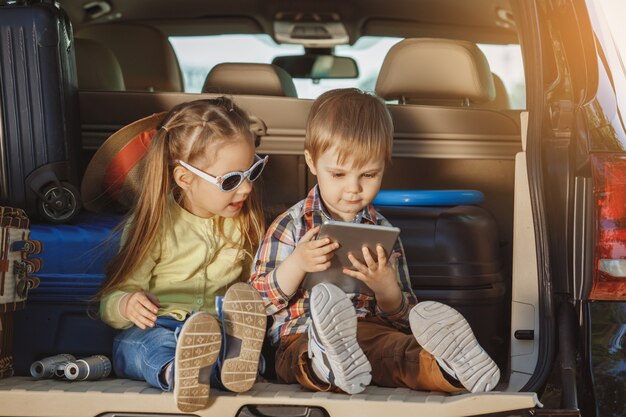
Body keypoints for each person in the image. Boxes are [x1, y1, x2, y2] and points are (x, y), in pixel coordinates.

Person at [250, 88, 500, 395]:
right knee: (298, 356)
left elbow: (402, 317)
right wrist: (297, 264)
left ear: (384, 166)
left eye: (369, 174)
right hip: (299, 333)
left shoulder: (382, 230)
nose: (353, 189)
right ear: (312, 162)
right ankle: (323, 360)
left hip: (368, 333)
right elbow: (256, 303)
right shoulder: (292, 225)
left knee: (398, 352)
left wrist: (386, 288)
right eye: (338, 174)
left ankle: (451, 370)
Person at [97, 98, 268, 412]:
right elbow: (110, 300)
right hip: (158, 327)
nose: (245, 190)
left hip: (214, 331)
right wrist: (126, 303)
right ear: (185, 179)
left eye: (252, 172)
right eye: (231, 180)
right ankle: (178, 373)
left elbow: (253, 289)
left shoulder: (244, 223)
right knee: (140, 347)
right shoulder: (155, 226)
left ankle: (229, 368)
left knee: (232, 347)